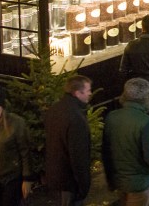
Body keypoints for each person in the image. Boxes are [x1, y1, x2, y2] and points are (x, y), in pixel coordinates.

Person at [102, 78, 149, 206]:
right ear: (145, 98)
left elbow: (106, 152)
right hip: (139, 182)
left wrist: (111, 179)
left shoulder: (112, 117)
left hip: (119, 181)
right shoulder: (146, 122)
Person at [44, 75, 93, 206]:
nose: (90, 93)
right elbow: (78, 155)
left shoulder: (54, 110)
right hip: (69, 182)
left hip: (55, 177)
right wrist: (84, 185)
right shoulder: (76, 118)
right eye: (88, 90)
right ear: (77, 93)